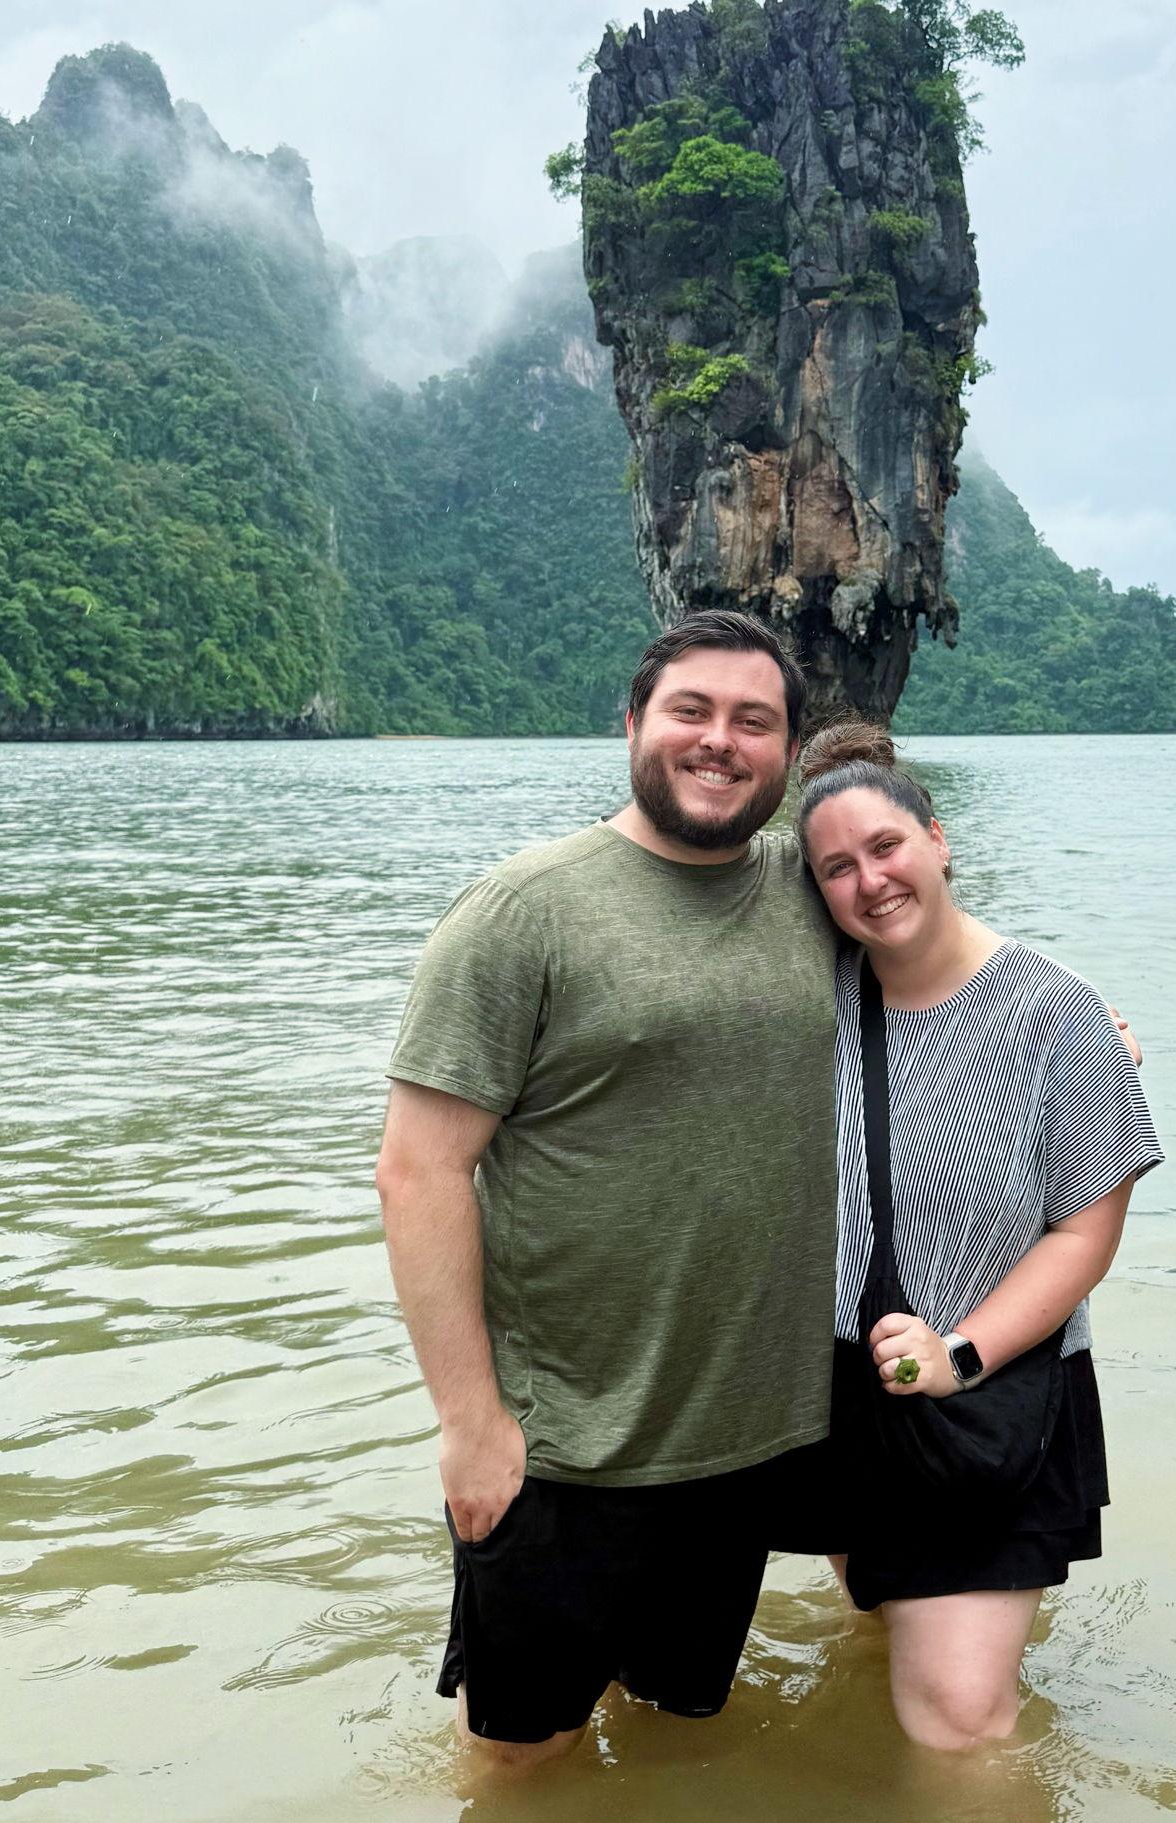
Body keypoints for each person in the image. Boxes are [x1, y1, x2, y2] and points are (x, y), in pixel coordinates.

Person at [374, 609, 839, 1768]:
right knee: (520, 1765)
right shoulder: (523, 911)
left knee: (680, 1731)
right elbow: (417, 1166)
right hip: (564, 1446)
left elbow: (947, 954)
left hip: (736, 1444)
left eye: (753, 720)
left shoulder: (812, 888)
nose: (719, 741)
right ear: (633, 723)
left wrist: (1085, 1028)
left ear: (789, 751)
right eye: (691, 711)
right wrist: (469, 1426)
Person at [784, 721, 1163, 1752]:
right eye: (835, 868)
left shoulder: (1060, 1015)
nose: (869, 881)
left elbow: (1085, 1230)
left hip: (986, 1387)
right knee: (874, 1620)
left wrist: (956, 1354)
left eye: (887, 847)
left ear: (939, 839)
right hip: (843, 1387)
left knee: (956, 1718)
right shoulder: (801, 997)